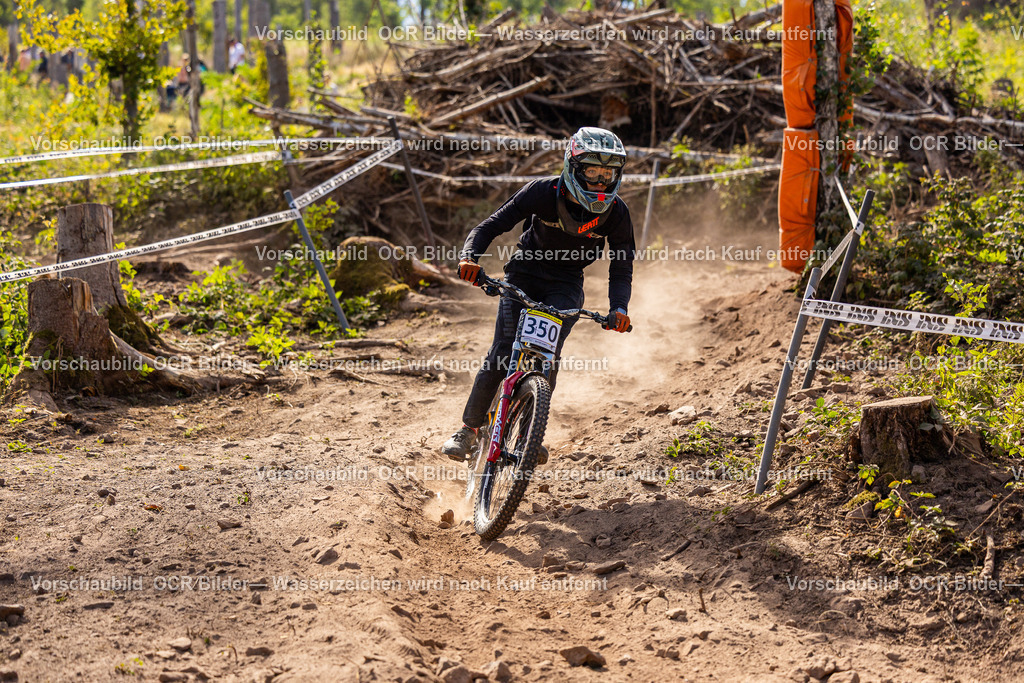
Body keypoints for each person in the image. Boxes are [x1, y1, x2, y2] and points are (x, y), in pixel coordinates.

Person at [441, 127, 635, 462]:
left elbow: (621, 267)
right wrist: (469, 258)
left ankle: (529, 435)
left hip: (566, 284)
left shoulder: (616, 213)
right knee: (503, 352)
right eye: (592, 170)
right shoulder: (544, 192)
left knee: (547, 356)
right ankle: (469, 430)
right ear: (573, 166)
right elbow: (489, 226)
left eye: (608, 173)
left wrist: (619, 308)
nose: (600, 180)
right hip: (524, 275)